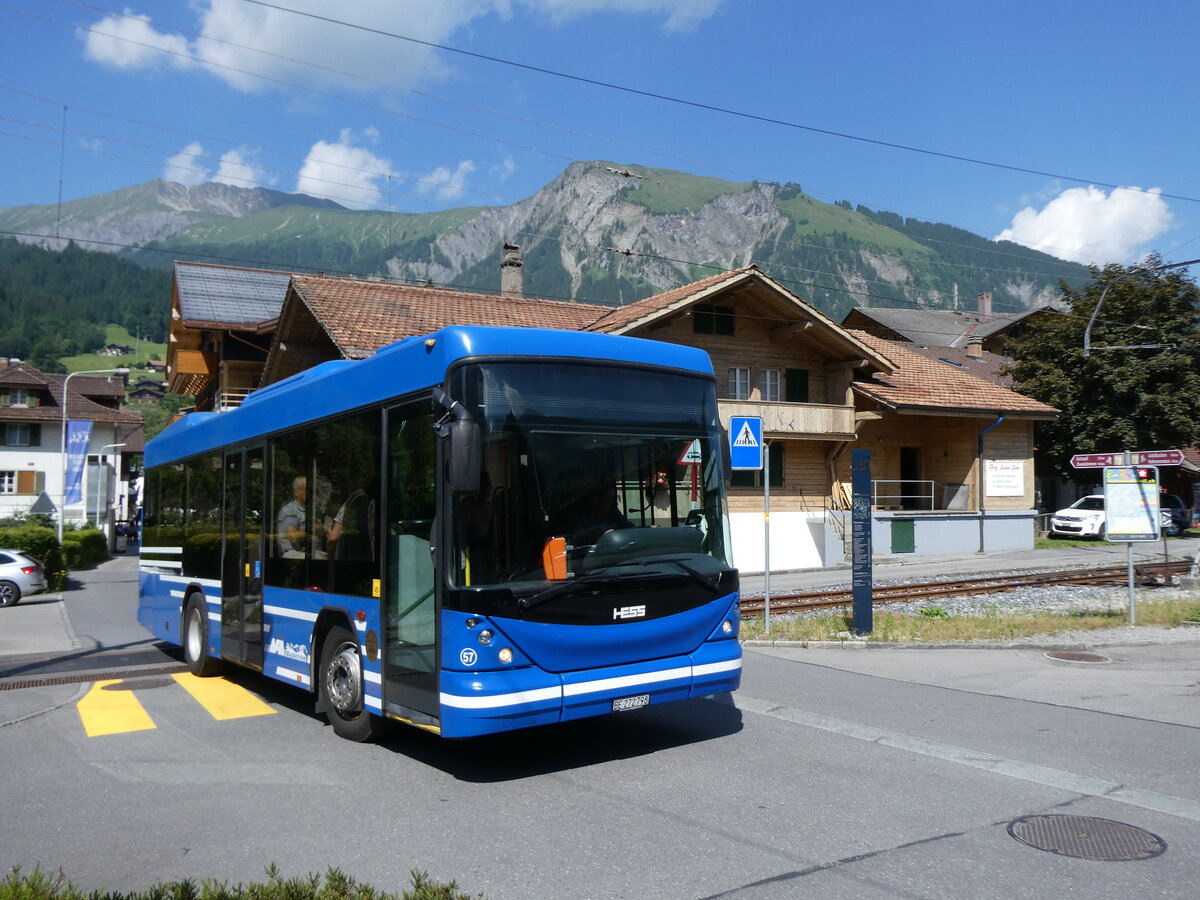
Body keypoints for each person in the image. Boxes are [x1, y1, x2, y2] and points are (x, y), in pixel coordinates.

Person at [556, 478, 633, 545]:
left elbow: (629, 529)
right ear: (595, 499)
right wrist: (601, 536)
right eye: (609, 498)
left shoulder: (613, 512)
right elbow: (573, 540)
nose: (613, 502)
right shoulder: (574, 515)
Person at [277, 476, 309, 558]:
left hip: (311, 552)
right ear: (296, 492)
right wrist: (313, 529)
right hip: (294, 553)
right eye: (306, 490)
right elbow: (293, 537)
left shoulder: (314, 510)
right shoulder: (290, 510)